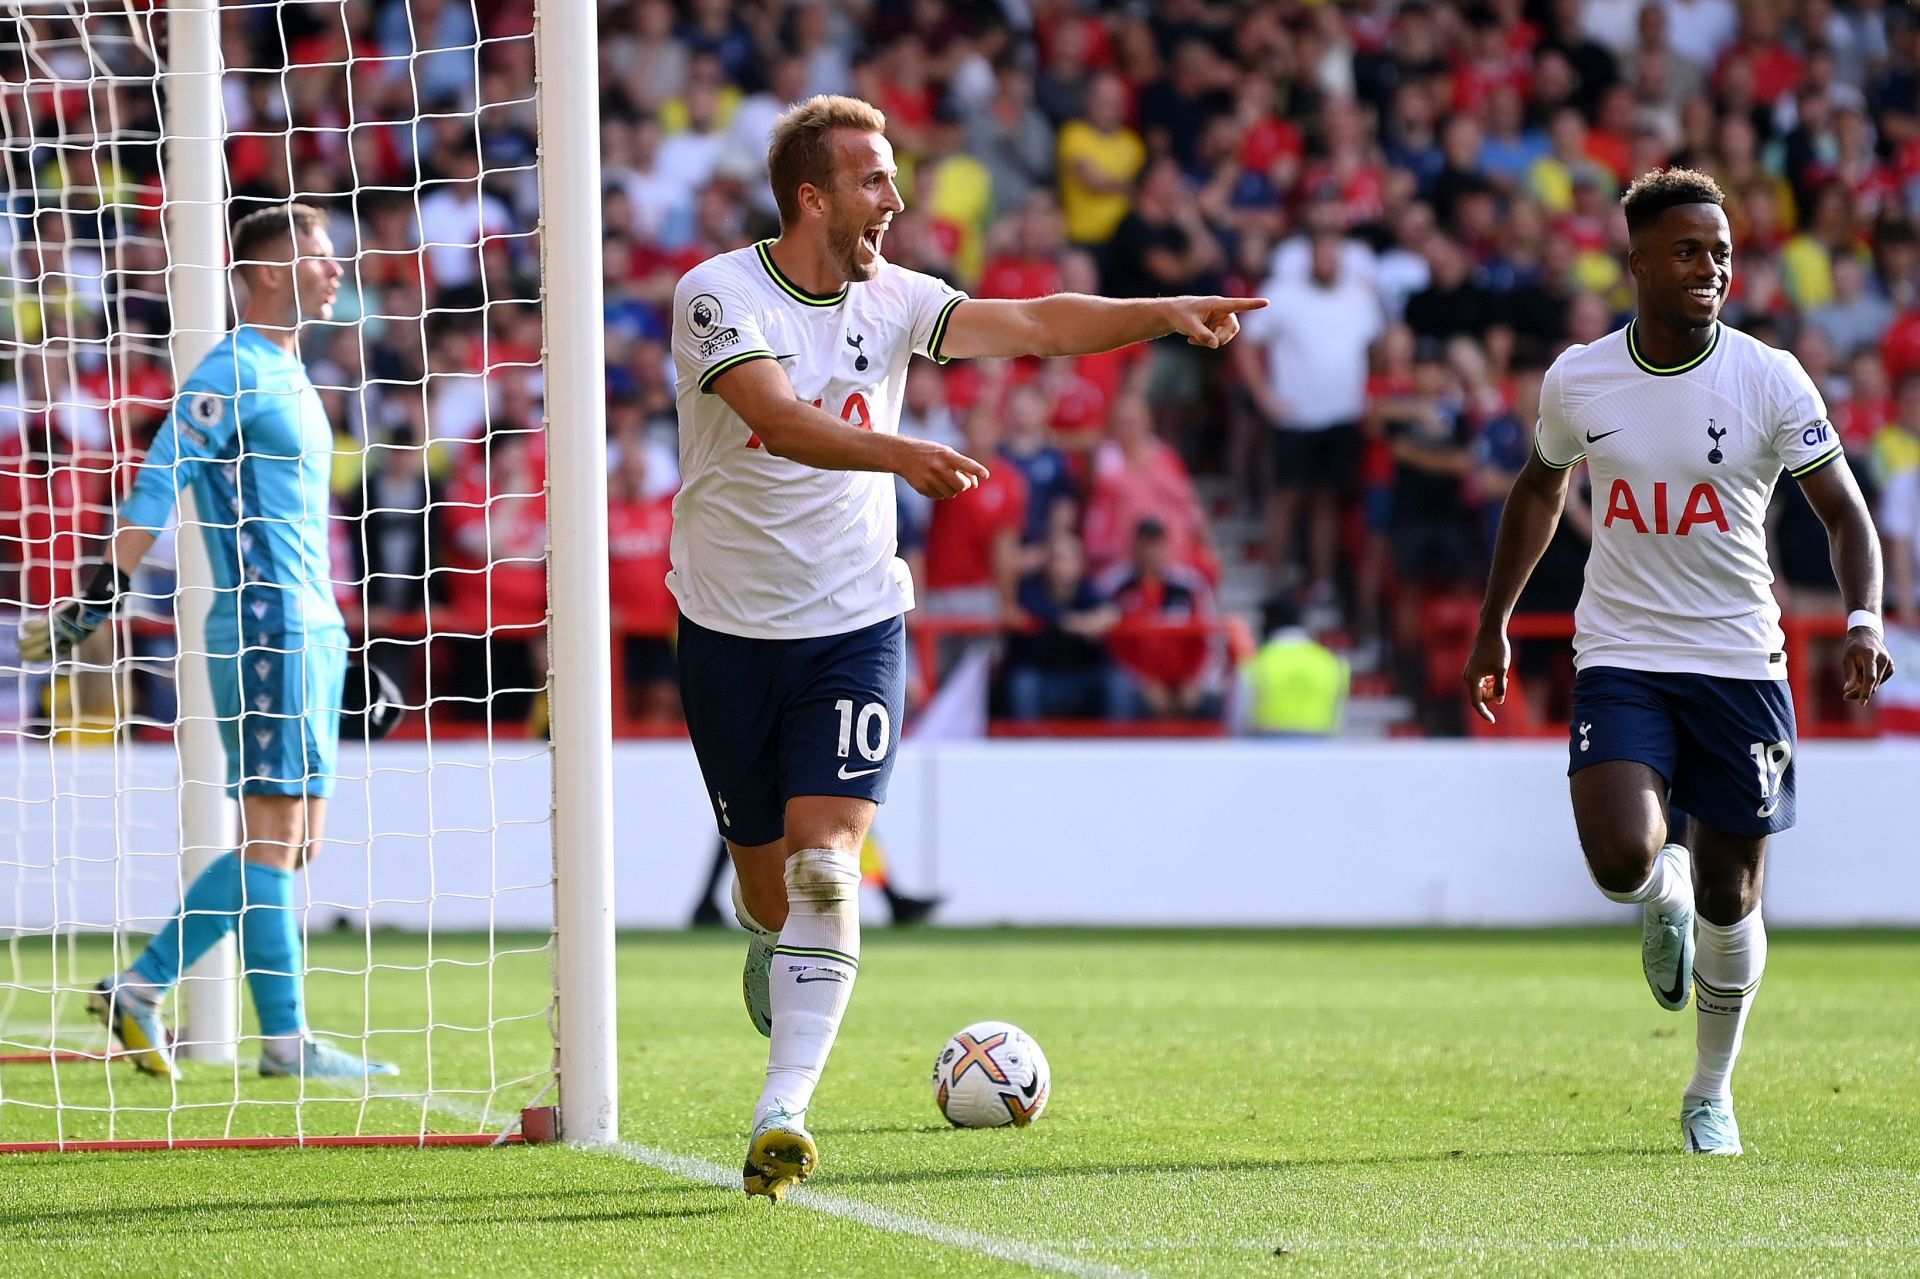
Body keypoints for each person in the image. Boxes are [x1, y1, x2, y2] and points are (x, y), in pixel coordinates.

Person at [667, 94, 1262, 1199]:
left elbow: (1036, 323)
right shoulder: (717, 293)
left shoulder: (895, 296)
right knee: (766, 895)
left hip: (854, 620)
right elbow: (782, 421)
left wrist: (1160, 310)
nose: (896, 199)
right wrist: (904, 454)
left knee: (824, 871)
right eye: (874, 180)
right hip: (729, 627)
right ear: (814, 195)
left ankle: (780, 1112)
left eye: (893, 178)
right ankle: (771, 942)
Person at [1463, 169, 1894, 1156]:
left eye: (1724, 252)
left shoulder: (1770, 376)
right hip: (1621, 652)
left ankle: (1709, 1090)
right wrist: (1495, 622)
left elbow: (1844, 514)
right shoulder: (1580, 378)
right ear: (1641, 263)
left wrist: (1865, 617)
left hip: (1742, 663)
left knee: (1731, 898)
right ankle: (1657, 897)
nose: (1712, 267)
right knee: (1624, 857)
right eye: (1691, 250)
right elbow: (1537, 489)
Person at [20, 203, 396, 1080]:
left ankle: (142, 989)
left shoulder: (293, 371)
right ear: (269, 272)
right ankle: (283, 1042)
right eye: (318, 256)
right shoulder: (230, 371)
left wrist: (343, 640)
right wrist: (96, 595)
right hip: (265, 625)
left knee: (296, 840)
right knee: (272, 834)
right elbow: (160, 480)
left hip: (309, 625)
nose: (336, 270)